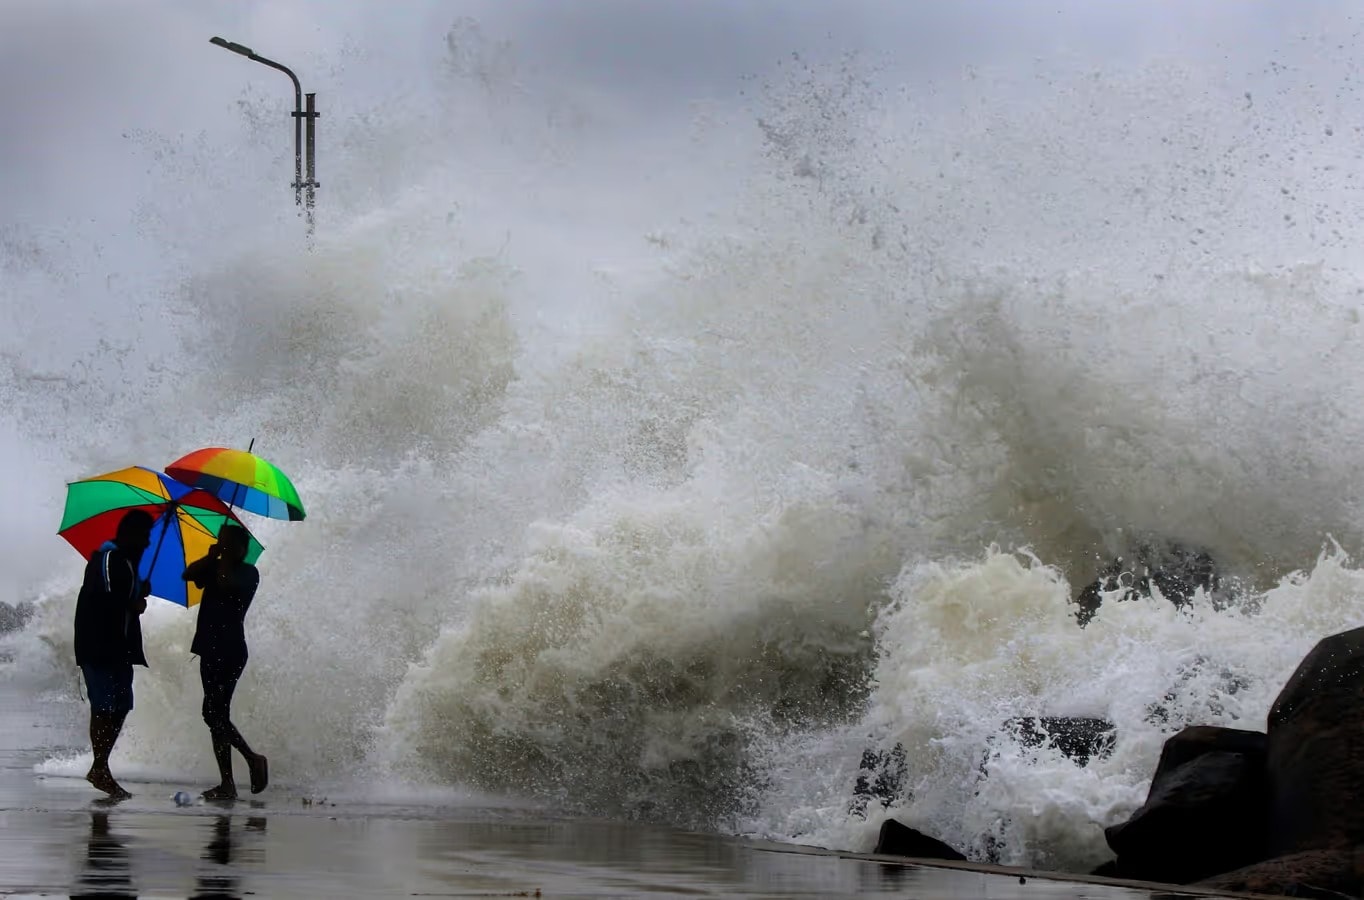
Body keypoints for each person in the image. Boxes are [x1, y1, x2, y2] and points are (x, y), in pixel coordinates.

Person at [73, 508, 153, 799]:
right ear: (130, 534)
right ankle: (100, 768)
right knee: (105, 706)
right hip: (98, 645)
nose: (147, 543)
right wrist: (132, 603)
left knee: (121, 706)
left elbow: (122, 595)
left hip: (120, 647)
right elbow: (106, 597)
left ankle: (100, 767)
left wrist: (140, 591)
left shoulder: (129, 563)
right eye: (144, 536)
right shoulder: (108, 557)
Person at [183, 524, 268, 799]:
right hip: (208, 648)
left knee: (215, 713)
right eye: (223, 542)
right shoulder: (214, 565)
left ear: (242, 549)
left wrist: (224, 561)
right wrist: (211, 557)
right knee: (214, 715)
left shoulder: (248, 573)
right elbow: (189, 574)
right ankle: (228, 783)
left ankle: (253, 760)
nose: (225, 547)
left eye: (230, 544)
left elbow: (226, 584)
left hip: (230, 650)